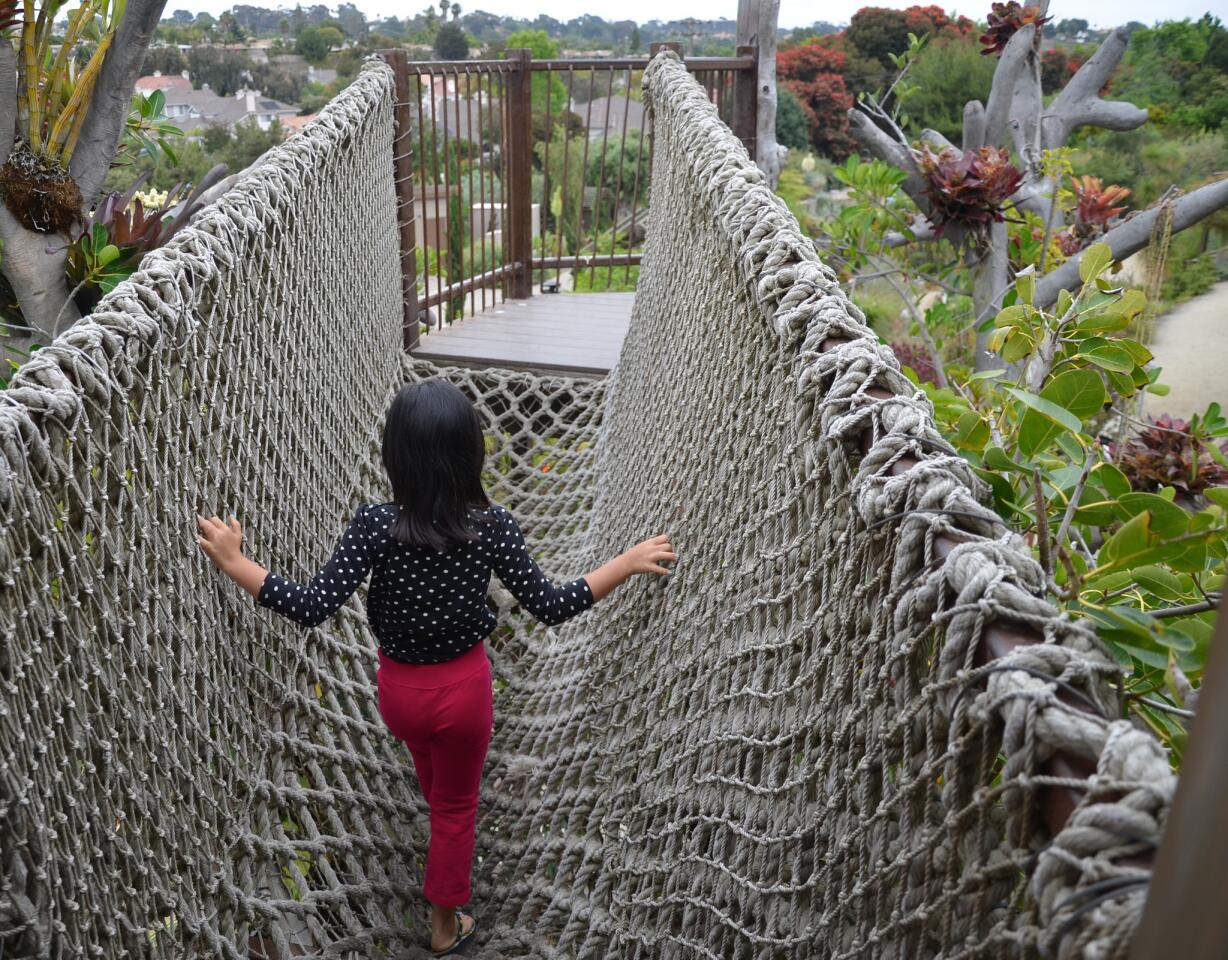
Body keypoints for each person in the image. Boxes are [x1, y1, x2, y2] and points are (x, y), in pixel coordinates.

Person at [196, 379, 675, 956]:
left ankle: (440, 833)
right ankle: (446, 927)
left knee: (434, 776)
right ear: (472, 454)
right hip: (463, 692)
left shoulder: (374, 526)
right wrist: (624, 562)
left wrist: (234, 561)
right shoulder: (491, 528)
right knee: (454, 809)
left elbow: (310, 605)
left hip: (399, 694)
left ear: (394, 457)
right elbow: (551, 605)